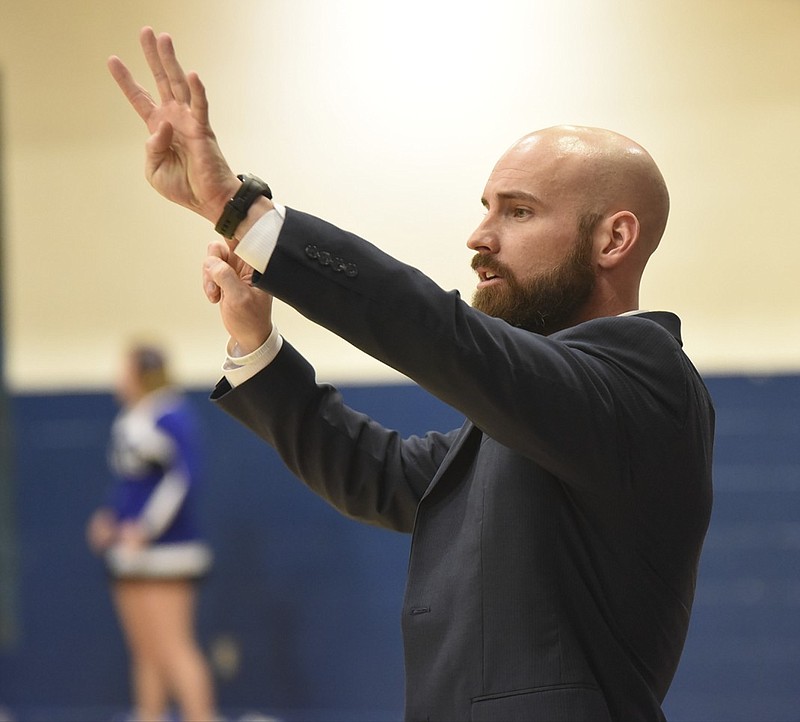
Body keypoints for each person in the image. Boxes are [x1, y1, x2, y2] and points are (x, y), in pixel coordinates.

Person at [108, 27, 714, 721]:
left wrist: (243, 212)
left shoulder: (645, 383)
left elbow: (440, 333)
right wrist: (255, 342)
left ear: (614, 239)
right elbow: (381, 476)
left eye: (517, 211)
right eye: (485, 208)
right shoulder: (541, 414)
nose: (479, 237)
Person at [86, 342, 216, 722]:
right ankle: (149, 715)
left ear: (140, 373)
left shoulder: (172, 414)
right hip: (130, 551)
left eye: (123, 369)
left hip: (168, 550)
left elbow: (183, 479)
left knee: (174, 647)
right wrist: (111, 519)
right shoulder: (130, 418)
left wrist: (145, 528)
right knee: (144, 650)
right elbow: (131, 484)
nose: (117, 377)